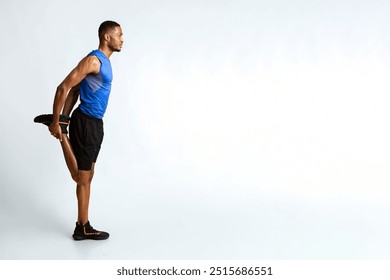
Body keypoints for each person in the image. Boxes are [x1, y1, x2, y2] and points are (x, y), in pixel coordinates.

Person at [34, 20, 123, 240]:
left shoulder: (105, 62)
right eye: (119, 35)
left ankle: (82, 226)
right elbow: (64, 87)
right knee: (81, 178)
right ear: (107, 37)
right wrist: (57, 122)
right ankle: (82, 226)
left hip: (95, 124)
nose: (123, 39)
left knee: (88, 176)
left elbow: (75, 91)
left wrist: (63, 117)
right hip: (85, 122)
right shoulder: (93, 60)